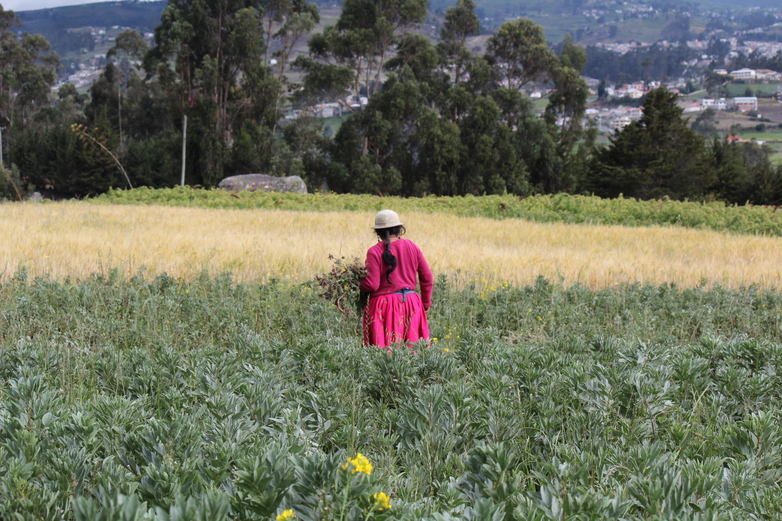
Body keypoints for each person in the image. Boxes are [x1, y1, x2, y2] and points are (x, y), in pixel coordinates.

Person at [359, 209, 433, 348]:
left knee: (384, 353)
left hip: (383, 307)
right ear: (399, 229)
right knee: (414, 351)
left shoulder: (374, 251)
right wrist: (426, 304)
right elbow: (427, 278)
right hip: (411, 304)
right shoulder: (412, 246)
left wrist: (357, 283)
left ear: (378, 232)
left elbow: (372, 285)